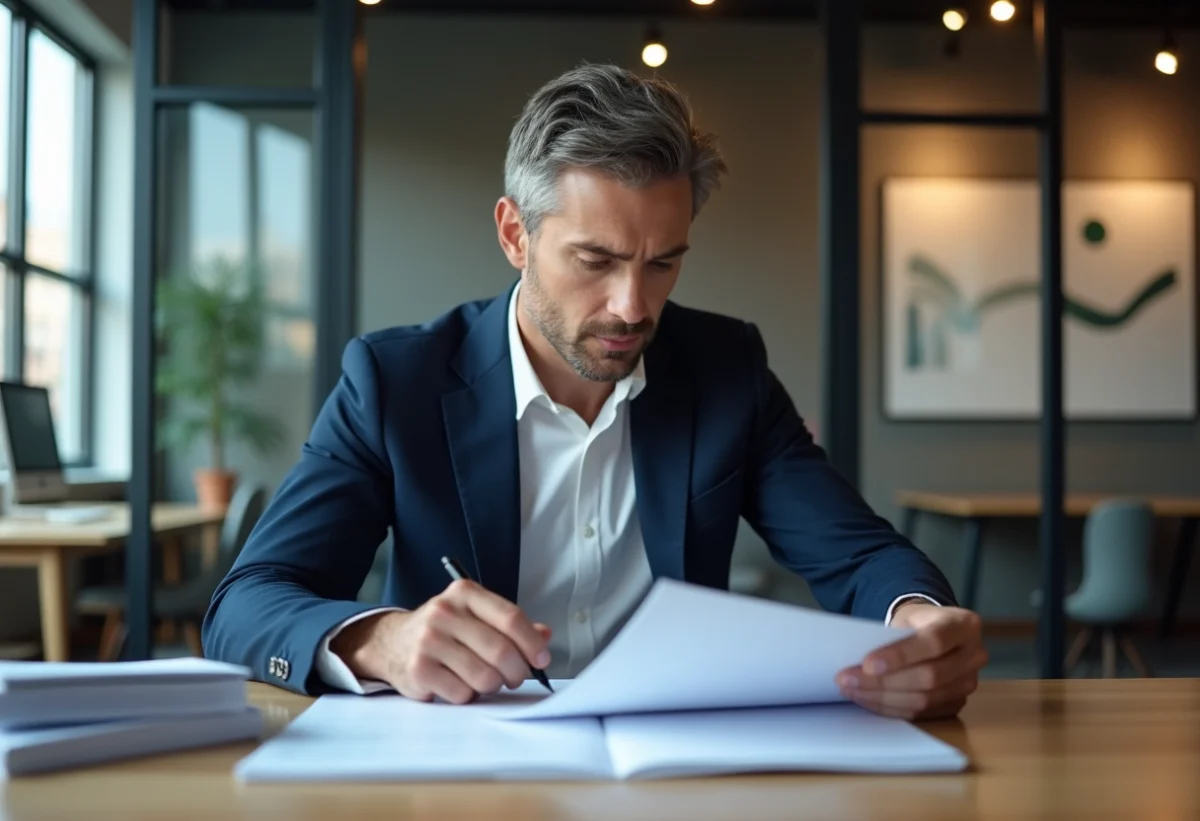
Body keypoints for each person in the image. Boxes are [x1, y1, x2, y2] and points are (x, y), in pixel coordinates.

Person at [203, 63, 986, 721]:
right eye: (596, 260)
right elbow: (246, 604)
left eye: (662, 262)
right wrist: (385, 640)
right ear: (515, 234)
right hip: (462, 774)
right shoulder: (393, 381)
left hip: (675, 758)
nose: (633, 306)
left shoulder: (727, 369)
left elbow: (860, 554)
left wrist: (919, 622)